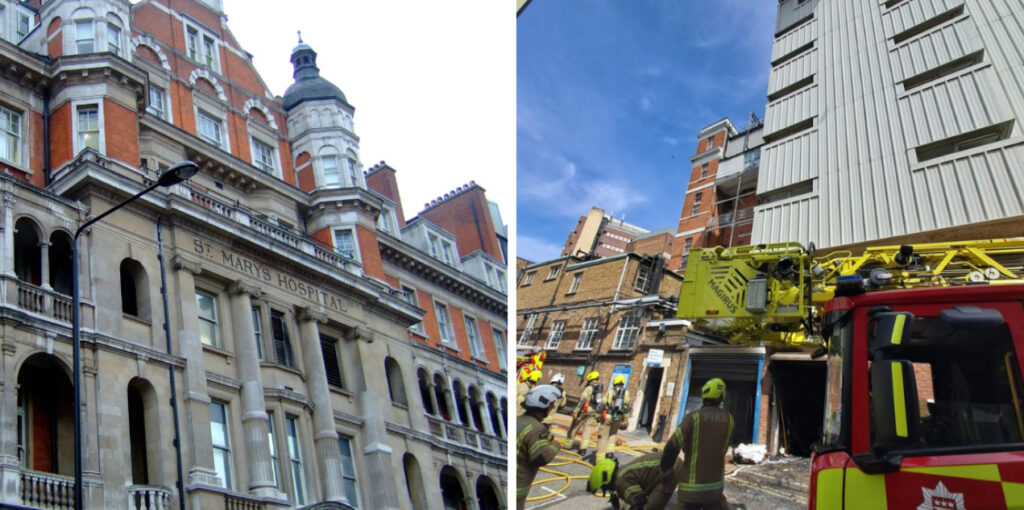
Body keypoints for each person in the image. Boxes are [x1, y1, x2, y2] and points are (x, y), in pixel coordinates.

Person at [660, 378, 734, 510]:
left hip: (690, 490)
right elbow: (724, 448)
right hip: (715, 489)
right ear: (721, 396)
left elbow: (671, 447)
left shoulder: (693, 418)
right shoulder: (730, 420)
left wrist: (666, 473)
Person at [516, 384, 563, 510]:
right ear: (542, 404)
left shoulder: (519, 420)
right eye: (551, 403)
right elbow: (541, 457)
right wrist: (556, 445)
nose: (553, 406)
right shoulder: (537, 429)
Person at [588, 452, 685, 510]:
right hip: (670, 464)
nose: (606, 490)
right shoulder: (621, 472)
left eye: (604, 488)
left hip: (671, 469)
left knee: (651, 507)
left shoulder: (621, 482)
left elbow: (639, 501)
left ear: (607, 482)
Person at [597, 375, 630, 459]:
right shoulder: (626, 393)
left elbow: (602, 404)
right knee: (613, 434)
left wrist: (597, 415)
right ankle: (610, 453)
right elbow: (626, 408)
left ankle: (600, 458)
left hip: (608, 416)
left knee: (603, 437)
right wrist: (625, 420)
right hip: (618, 418)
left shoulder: (610, 392)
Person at [568, 370, 601, 451]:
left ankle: (568, 444)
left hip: (584, 410)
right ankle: (583, 448)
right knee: (587, 429)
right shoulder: (599, 390)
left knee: (575, 427)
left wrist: (576, 411)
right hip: (593, 411)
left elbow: (582, 400)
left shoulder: (588, 388)